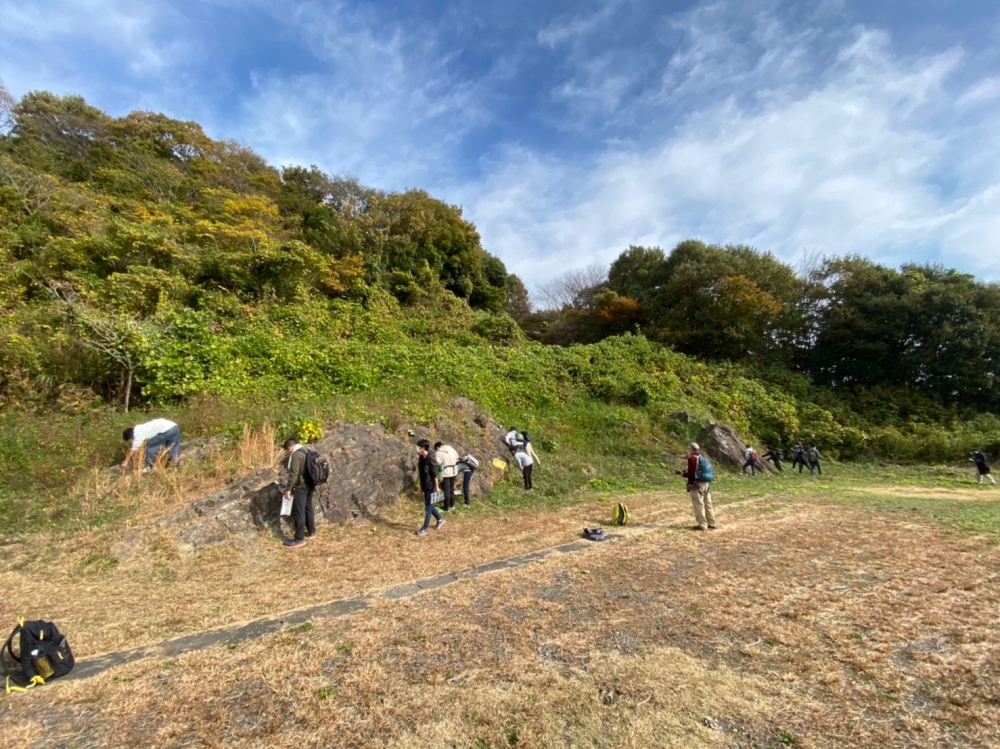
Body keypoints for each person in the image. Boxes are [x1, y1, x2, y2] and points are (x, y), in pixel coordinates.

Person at [279, 439, 316, 548]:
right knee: (308, 508)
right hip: (310, 485)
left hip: (301, 487)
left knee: (298, 512)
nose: (288, 453)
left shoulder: (296, 455)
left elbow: (294, 474)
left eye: (287, 451)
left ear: (290, 447)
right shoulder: (306, 451)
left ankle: (299, 539)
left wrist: (288, 489)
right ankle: (312, 532)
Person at [678, 442, 716, 531]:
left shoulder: (692, 459)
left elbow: (691, 473)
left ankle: (702, 525)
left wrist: (683, 474)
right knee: (708, 504)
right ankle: (712, 523)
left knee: (698, 504)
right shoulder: (703, 458)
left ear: (691, 449)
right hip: (707, 484)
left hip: (697, 484)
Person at [415, 439, 445, 536]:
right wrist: (421, 487)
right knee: (430, 505)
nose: (417, 448)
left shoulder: (431, 458)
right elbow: (421, 474)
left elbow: (434, 474)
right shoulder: (421, 457)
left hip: (431, 486)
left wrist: (437, 487)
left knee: (428, 507)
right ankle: (440, 519)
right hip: (425, 485)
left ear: (423, 448)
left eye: (418, 446)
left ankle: (425, 528)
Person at [434, 441, 460, 511]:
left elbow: (438, 463)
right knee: (451, 488)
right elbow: (457, 457)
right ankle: (452, 504)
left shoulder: (438, 452)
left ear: (437, 447)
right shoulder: (451, 449)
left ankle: (446, 506)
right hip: (453, 471)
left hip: (445, 472)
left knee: (446, 490)